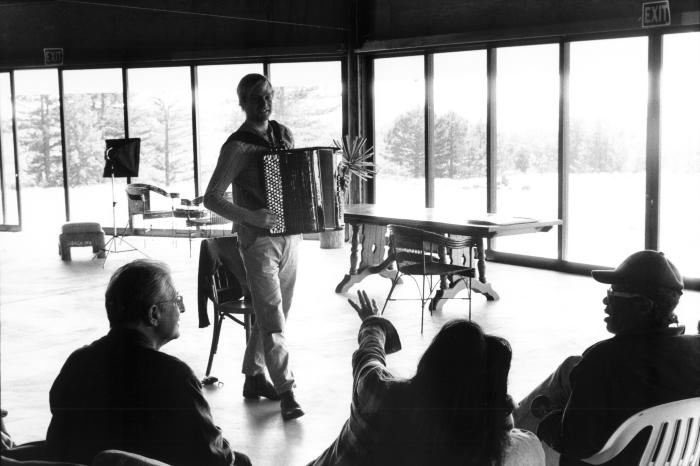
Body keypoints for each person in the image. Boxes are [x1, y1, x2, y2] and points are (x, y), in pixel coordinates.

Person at [43, 259, 251, 466]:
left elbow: (59, 440)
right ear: (154, 314)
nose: (182, 309)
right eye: (176, 301)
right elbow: (213, 458)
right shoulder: (174, 376)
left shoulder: (77, 363)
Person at [307, 290, 545, 466]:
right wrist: (499, 413)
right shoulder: (483, 449)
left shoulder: (378, 391)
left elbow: (369, 355)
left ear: (430, 361)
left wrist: (372, 322)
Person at [513, 250, 700, 466]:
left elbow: (576, 444)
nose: (605, 301)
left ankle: (497, 437)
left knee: (536, 422)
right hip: (671, 456)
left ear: (643, 306)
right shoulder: (694, 348)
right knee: (571, 366)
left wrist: (549, 418)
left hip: (609, 460)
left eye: (614, 294)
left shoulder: (603, 359)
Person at [204, 73, 303, 420]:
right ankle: (287, 390)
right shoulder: (238, 146)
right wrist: (251, 216)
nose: (265, 103)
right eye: (257, 98)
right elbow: (212, 198)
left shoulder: (283, 134)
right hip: (258, 241)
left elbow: (294, 178)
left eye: (269, 96)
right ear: (243, 103)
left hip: (290, 236)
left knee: (276, 313)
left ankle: (253, 377)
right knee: (273, 317)